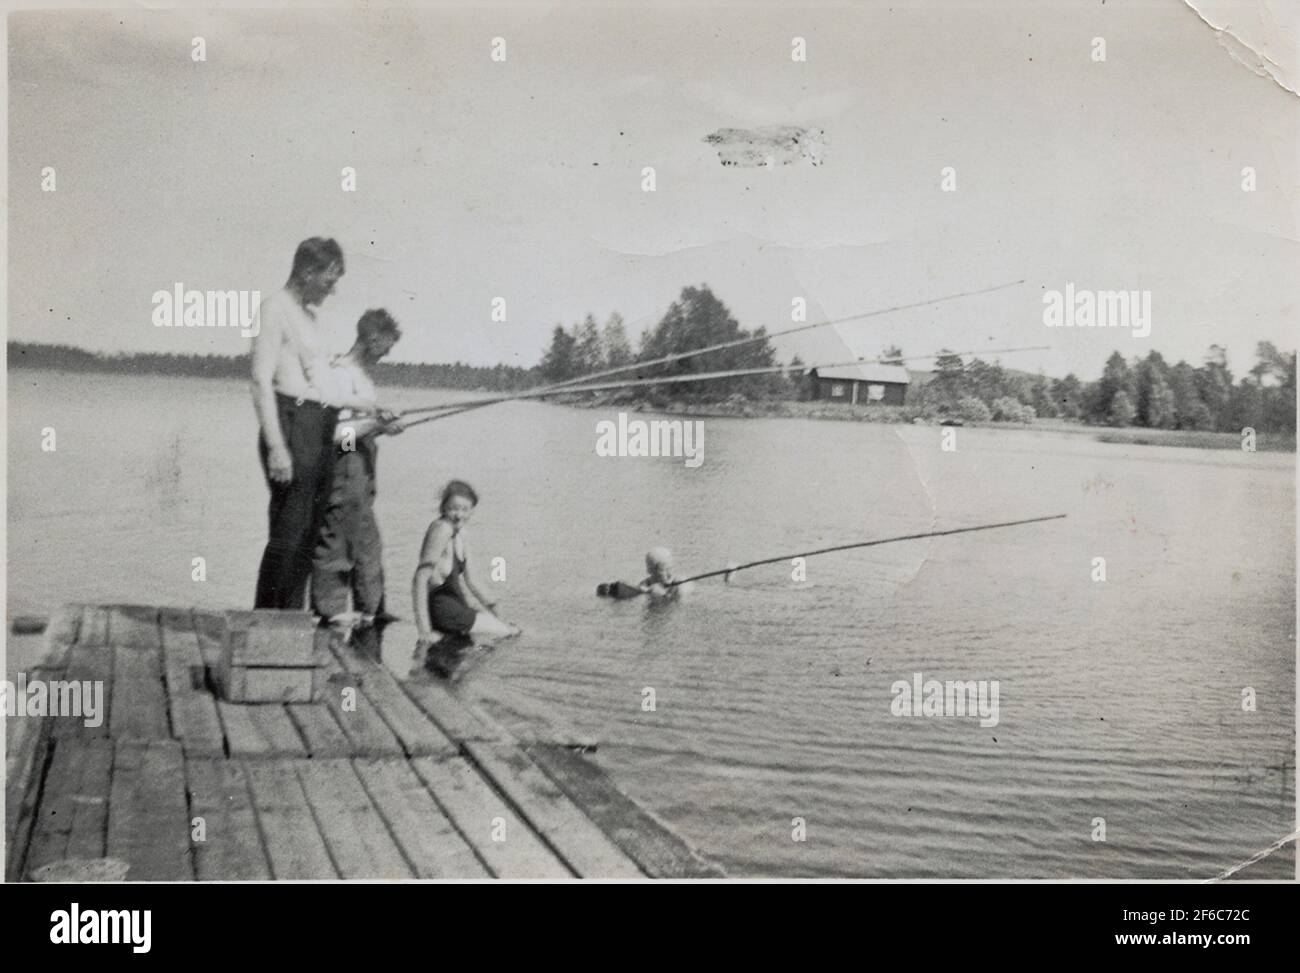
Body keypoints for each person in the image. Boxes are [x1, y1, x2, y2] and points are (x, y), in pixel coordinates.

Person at [250, 238, 375, 609]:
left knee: (309, 534)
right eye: (328, 280)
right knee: (287, 535)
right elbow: (260, 381)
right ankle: (267, 623)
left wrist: (371, 408)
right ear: (307, 272)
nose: (333, 289)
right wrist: (276, 447)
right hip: (292, 426)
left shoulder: (310, 317)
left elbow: (324, 387)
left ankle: (289, 624)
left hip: (319, 426)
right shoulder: (274, 309)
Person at [311, 309, 404, 629]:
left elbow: (357, 427)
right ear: (372, 339)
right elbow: (335, 435)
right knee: (338, 535)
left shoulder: (362, 377)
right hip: (345, 462)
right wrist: (375, 425)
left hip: (361, 463)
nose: (388, 353)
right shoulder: (340, 374)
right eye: (386, 346)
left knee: (367, 541)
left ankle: (371, 609)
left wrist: (379, 427)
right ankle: (330, 610)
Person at [413, 480, 519, 671]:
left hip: (454, 608)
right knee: (508, 635)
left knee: (504, 631)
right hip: (443, 610)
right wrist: (424, 631)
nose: (458, 514)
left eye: (464, 509)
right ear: (443, 507)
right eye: (453, 508)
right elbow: (420, 578)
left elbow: (473, 581)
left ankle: (454, 655)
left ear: (472, 511)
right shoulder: (441, 529)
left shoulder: (461, 533)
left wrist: (498, 613)